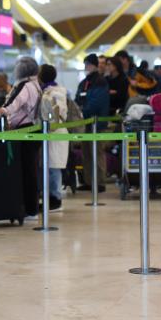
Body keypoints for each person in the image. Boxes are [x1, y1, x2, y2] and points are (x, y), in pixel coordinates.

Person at [0, 57, 43, 219]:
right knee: (31, 170)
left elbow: (16, 102)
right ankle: (31, 207)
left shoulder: (25, 85)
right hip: (34, 129)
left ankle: (29, 209)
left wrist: (4, 110)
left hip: (24, 130)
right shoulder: (35, 85)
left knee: (26, 171)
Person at [75, 54, 110, 192]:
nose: (86, 67)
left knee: (97, 152)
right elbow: (78, 99)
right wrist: (79, 110)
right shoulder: (84, 83)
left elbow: (97, 102)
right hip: (85, 123)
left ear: (95, 65)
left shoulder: (100, 82)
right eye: (85, 64)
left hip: (97, 124)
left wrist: (83, 111)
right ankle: (89, 181)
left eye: (88, 64)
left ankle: (100, 182)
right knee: (86, 153)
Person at [38, 64, 69, 212]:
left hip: (56, 132)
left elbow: (57, 113)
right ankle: (49, 198)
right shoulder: (48, 91)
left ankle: (56, 199)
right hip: (50, 132)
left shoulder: (55, 93)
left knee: (54, 168)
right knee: (49, 167)